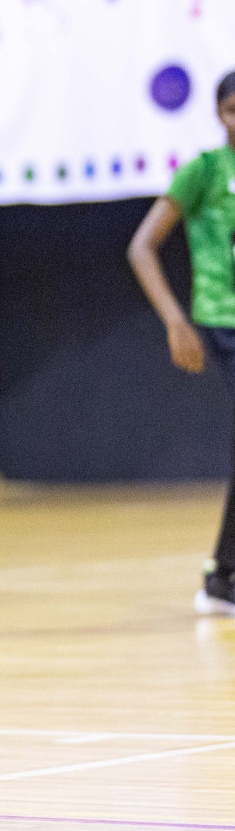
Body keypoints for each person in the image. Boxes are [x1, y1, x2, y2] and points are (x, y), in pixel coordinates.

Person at [128, 69, 235, 617]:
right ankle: (223, 579)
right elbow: (142, 246)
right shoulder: (204, 171)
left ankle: (224, 578)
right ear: (219, 114)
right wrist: (175, 320)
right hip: (223, 318)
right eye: (232, 108)